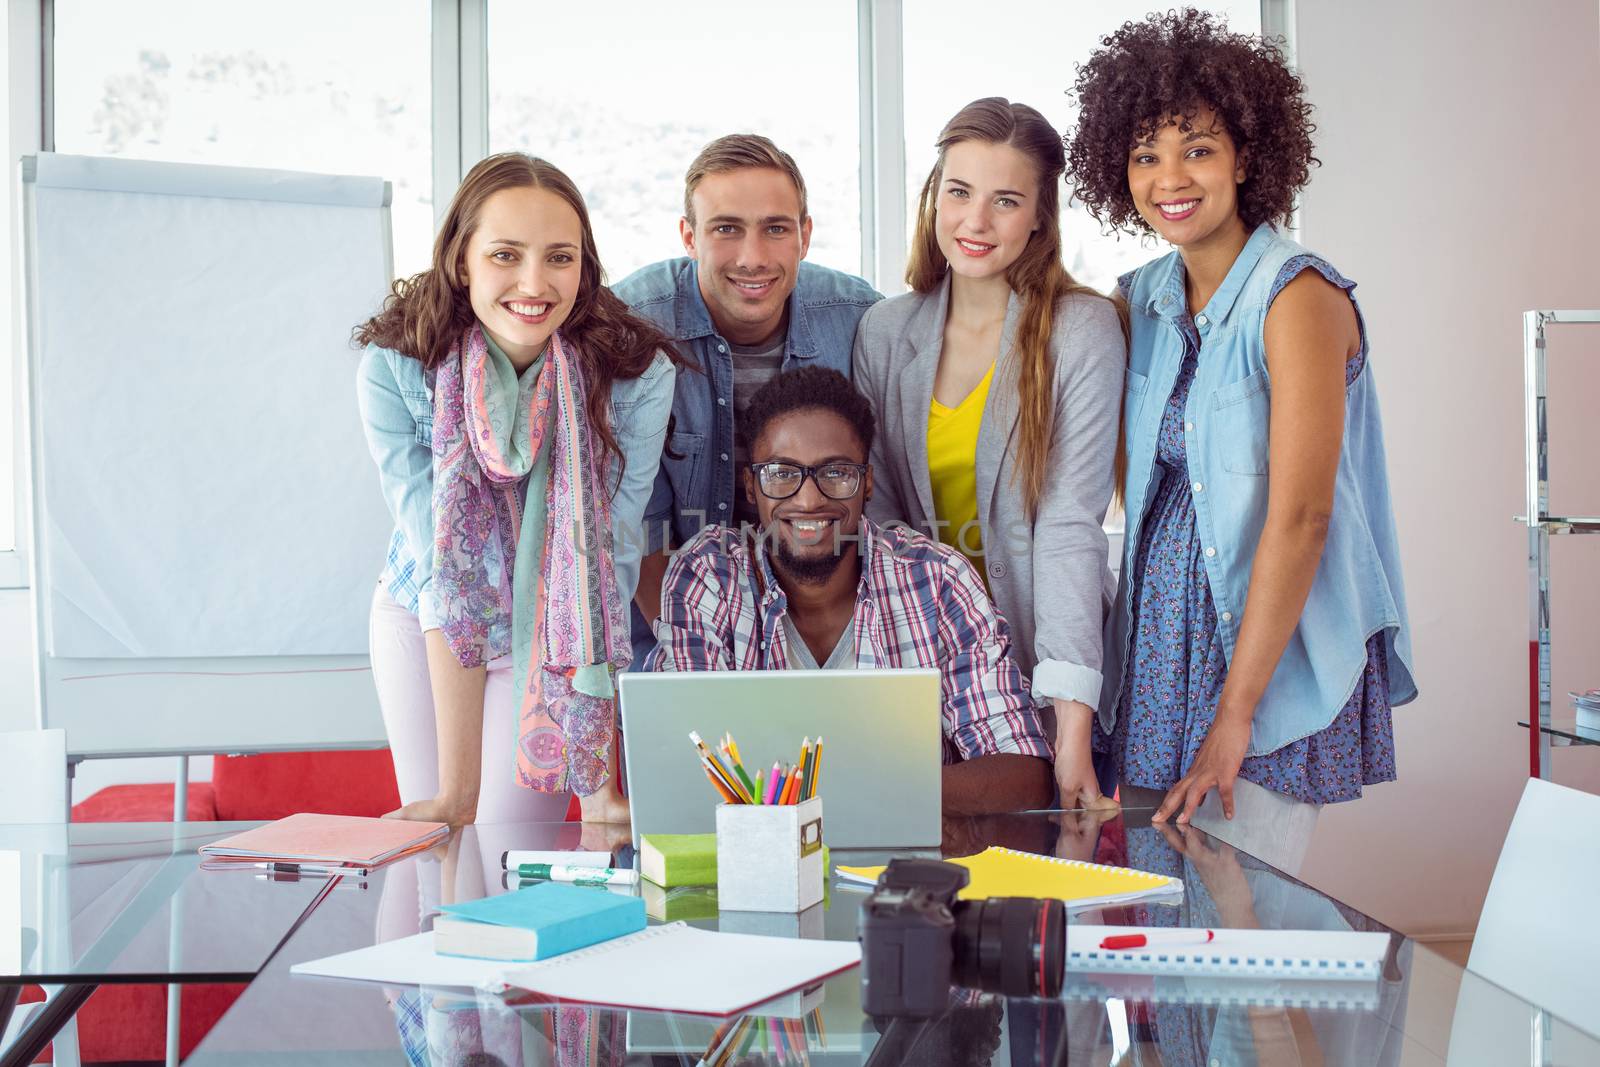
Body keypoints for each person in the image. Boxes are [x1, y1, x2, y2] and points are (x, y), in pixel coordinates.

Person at [1065, 9, 1415, 872]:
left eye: (1197, 148)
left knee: (1244, 943)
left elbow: (1301, 516)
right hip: (1155, 657)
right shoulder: (1136, 297)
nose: (1168, 177)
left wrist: (1235, 715)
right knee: (1157, 934)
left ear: (1248, 156)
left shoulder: (1298, 297)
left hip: (1262, 660)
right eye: (1145, 154)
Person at [355, 153, 678, 827]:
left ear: (584, 269)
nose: (535, 283)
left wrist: (595, 779)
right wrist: (455, 793)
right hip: (429, 617)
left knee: (505, 858)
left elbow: (607, 564)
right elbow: (449, 569)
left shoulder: (637, 378)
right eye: (506, 254)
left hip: (551, 636)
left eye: (559, 257)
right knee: (433, 847)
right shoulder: (396, 368)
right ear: (461, 260)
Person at [853, 97, 1126, 812]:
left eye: (1005, 200)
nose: (975, 222)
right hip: (922, 660)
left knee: (1035, 895)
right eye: (959, 192)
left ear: (1040, 215)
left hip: (1042, 654)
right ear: (933, 197)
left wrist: (1071, 723)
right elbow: (877, 522)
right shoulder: (886, 330)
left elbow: (1070, 526)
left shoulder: (1082, 330)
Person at [646, 367, 1054, 814]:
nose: (808, 500)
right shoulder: (709, 577)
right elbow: (687, 774)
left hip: (906, 871)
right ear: (751, 485)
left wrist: (839, 796)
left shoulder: (938, 581)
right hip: (759, 867)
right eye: (782, 473)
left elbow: (1022, 774)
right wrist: (883, 791)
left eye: (836, 473)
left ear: (868, 483)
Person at [611, 134, 881, 664]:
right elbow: (638, 527)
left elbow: (880, 495)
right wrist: (732, 667)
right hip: (667, 625)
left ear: (804, 235)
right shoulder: (631, 327)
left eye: (775, 229)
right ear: (689, 236)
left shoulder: (860, 319)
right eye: (726, 229)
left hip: (830, 625)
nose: (752, 258)